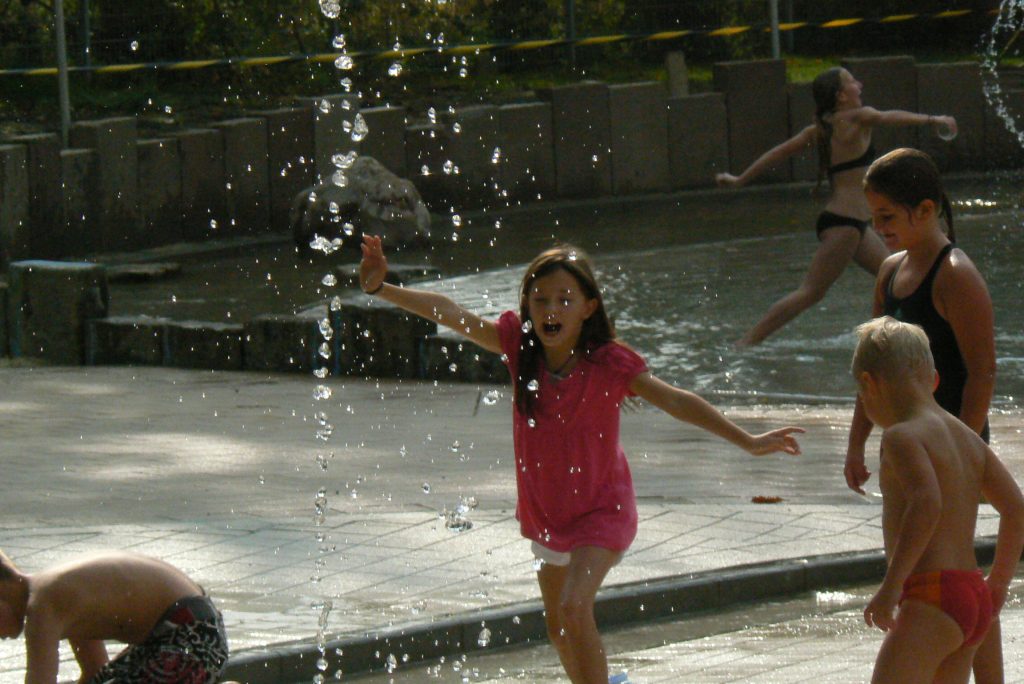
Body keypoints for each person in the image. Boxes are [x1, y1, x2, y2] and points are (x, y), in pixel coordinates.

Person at [359, 235, 803, 684]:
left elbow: (676, 401)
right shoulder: (518, 349)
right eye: (541, 299)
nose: (551, 309)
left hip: (602, 510)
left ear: (588, 307)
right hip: (547, 512)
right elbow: (453, 314)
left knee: (574, 606)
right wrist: (382, 288)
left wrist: (747, 440)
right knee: (557, 627)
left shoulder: (610, 364)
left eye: (565, 300)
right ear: (528, 306)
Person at [844, 147, 1002, 682]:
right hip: (914, 430)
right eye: (874, 218)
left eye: (887, 217)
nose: (878, 228)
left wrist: (964, 442)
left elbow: (982, 370)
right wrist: (856, 441)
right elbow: (873, 363)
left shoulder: (955, 274)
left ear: (926, 211)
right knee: (952, 566)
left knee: (957, 562)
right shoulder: (889, 272)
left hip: (954, 434)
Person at [714, 66, 958, 347]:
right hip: (844, 223)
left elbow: (777, 153)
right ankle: (745, 343)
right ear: (842, 95)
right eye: (853, 81)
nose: (860, 84)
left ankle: (911, 341)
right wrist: (932, 119)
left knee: (897, 276)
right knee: (811, 292)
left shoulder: (820, 129)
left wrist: (739, 179)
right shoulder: (857, 118)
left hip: (851, 224)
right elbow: (888, 117)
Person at [850, 316, 1024, 683]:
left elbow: (927, 504)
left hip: (932, 597)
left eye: (861, 396)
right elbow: (1015, 507)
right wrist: (999, 582)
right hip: (971, 594)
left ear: (869, 385)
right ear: (933, 380)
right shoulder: (968, 438)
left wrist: (891, 587)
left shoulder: (901, 437)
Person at [0, 549, 229, 684]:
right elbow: (95, 671)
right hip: (188, 631)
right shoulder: (58, 600)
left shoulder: (42, 606)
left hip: (192, 637)